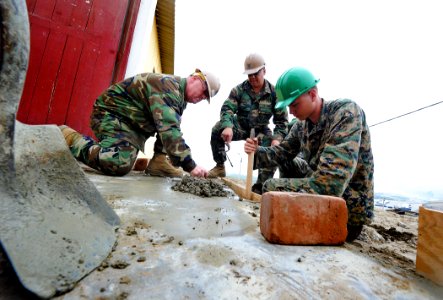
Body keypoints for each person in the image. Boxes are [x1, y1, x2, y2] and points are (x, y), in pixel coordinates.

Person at [244, 67, 374, 241]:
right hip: (319, 190)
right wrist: (256, 151)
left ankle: (294, 216)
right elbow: (281, 154)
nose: (291, 111)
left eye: (295, 104)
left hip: (344, 209)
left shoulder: (346, 113)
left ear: (312, 95)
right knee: (287, 164)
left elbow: (331, 185)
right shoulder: (301, 125)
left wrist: (275, 188)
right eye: (289, 106)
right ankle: (293, 211)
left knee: (270, 188)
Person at [60, 69, 220, 178]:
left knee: (129, 156)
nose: (202, 98)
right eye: (204, 92)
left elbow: (168, 127)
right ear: (195, 78)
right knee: (118, 162)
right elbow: (169, 129)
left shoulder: (179, 98)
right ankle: (70, 137)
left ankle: (158, 162)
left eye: (206, 98)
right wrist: (189, 164)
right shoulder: (168, 87)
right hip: (111, 114)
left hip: (131, 126)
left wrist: (160, 157)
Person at [207, 53, 288, 194]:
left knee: (273, 149)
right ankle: (220, 166)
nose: (252, 78)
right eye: (249, 75)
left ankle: (261, 186)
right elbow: (227, 108)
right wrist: (227, 126)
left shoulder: (276, 93)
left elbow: (282, 122)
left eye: (256, 74)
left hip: (260, 130)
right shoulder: (238, 90)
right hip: (240, 126)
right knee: (217, 128)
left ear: (264, 71)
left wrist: (276, 140)